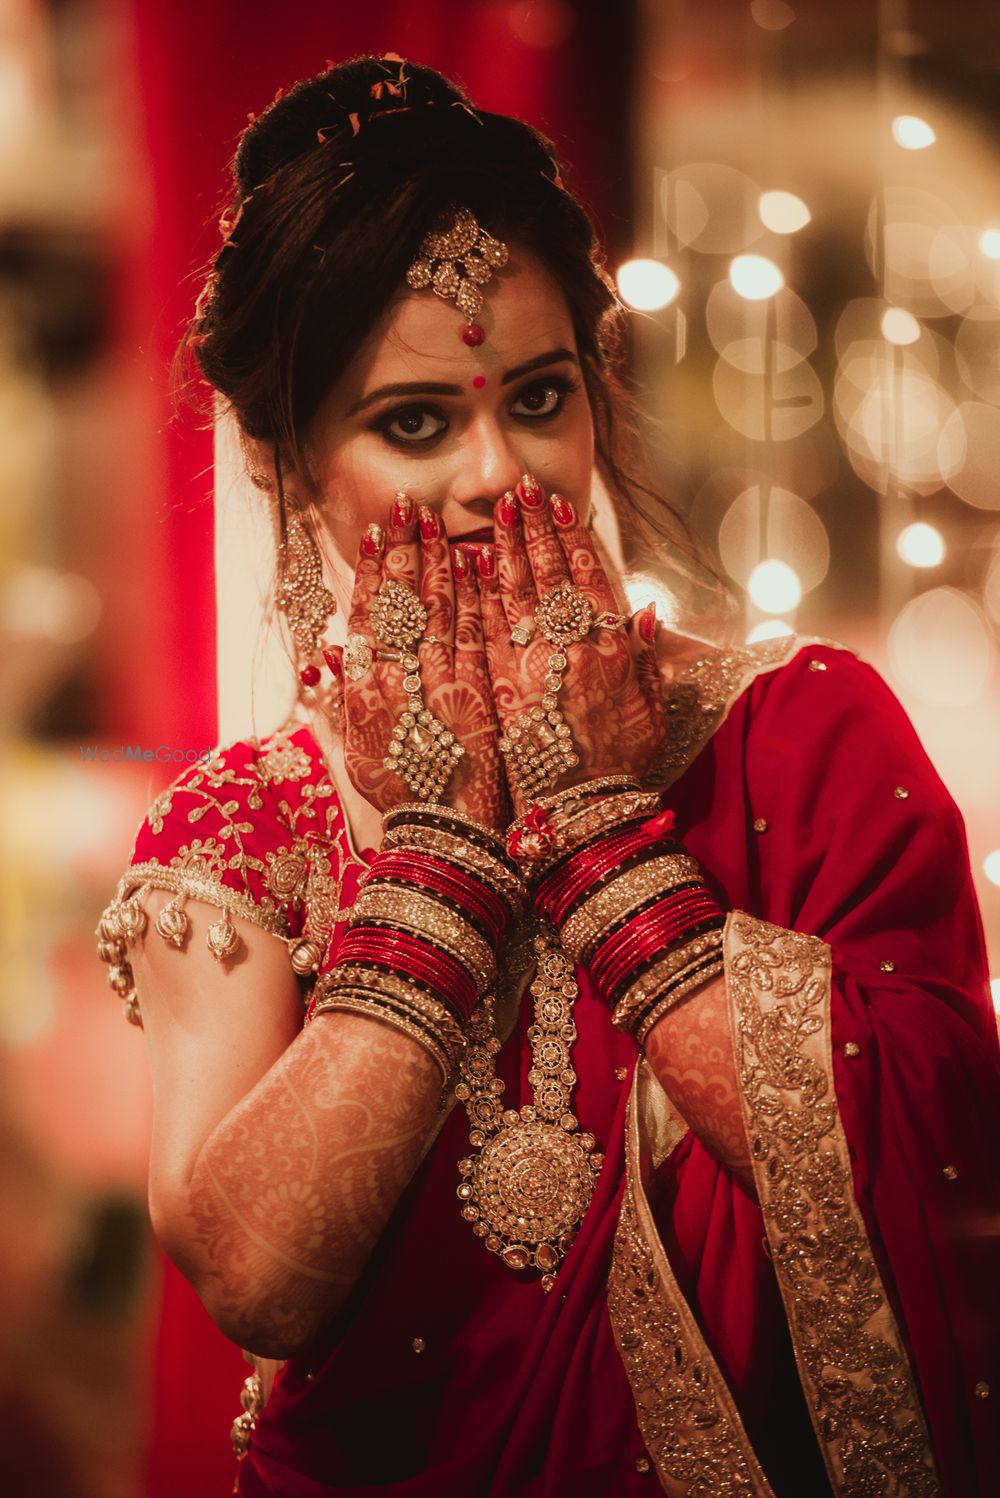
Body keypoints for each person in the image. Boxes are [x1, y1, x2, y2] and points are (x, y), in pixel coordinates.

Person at [97, 53, 999, 1497]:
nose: (499, 475)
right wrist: (442, 856)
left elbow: (935, 1166)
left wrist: (602, 835)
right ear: (288, 467)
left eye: (537, 397)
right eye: (414, 422)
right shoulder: (241, 828)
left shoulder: (799, 731)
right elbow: (257, 1279)